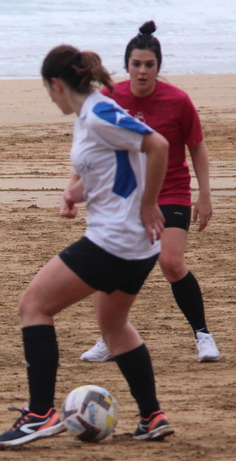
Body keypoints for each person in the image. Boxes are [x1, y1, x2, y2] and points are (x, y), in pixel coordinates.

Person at [0, 45, 173, 449]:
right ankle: (152, 416)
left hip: (116, 240)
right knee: (114, 327)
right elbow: (109, 168)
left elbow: (157, 146)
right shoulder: (90, 116)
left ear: (56, 84)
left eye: (48, 90)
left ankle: (40, 414)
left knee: (33, 306)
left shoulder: (98, 113)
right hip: (136, 246)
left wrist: (149, 204)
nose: (49, 98)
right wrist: (74, 193)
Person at [80, 20, 220, 364]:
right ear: (126, 66)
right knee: (111, 266)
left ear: (158, 66)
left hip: (171, 191)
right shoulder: (111, 98)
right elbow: (93, 146)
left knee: (170, 262)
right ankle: (108, 338)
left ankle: (203, 336)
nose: (142, 71)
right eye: (136, 64)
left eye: (149, 64)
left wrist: (204, 195)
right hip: (125, 195)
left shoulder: (178, 100)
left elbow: (197, 147)